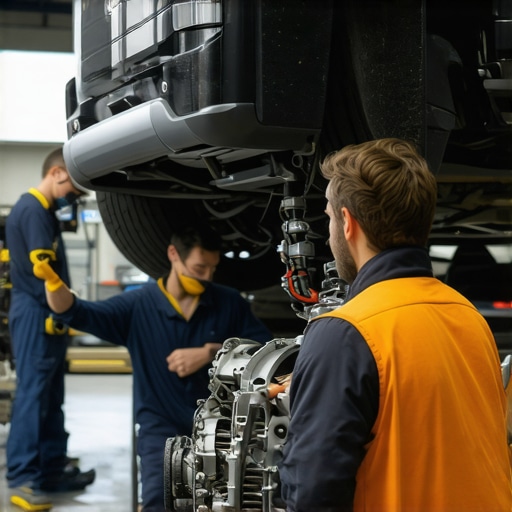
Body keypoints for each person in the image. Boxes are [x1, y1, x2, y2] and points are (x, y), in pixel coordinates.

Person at [278, 138, 512, 511]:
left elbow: (313, 494)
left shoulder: (346, 333)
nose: (329, 233)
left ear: (348, 223)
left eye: (328, 217)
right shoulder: (468, 318)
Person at [34, 223, 272, 512]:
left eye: (212, 268)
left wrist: (212, 352)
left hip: (220, 427)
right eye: (199, 268)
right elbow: (76, 312)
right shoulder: (138, 306)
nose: (207, 276)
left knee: (230, 501)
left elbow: (264, 348)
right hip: (160, 429)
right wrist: (53, 286)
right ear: (174, 254)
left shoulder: (228, 302)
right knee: (159, 500)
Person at [6, 147, 95, 512]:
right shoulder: (33, 208)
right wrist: (68, 306)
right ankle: (23, 478)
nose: (74, 197)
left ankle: (52, 469)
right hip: (36, 315)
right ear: (58, 172)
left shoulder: (44, 211)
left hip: (49, 316)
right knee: (33, 397)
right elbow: (42, 268)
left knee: (51, 397)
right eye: (74, 189)